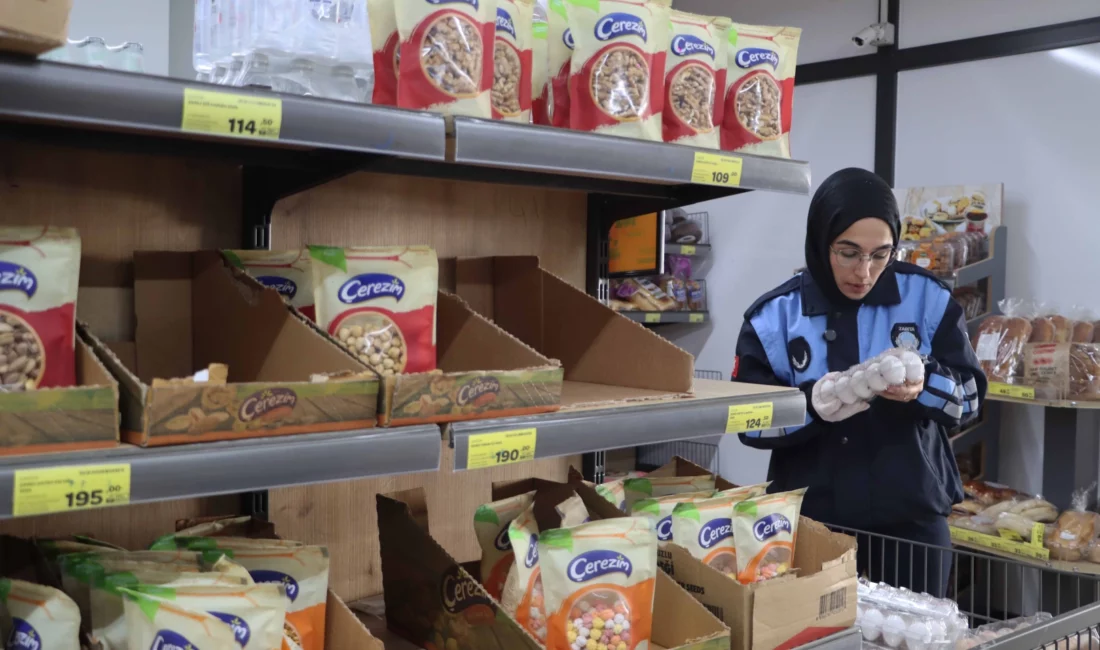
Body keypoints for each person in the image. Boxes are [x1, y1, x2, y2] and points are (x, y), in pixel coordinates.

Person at [733, 167, 985, 597]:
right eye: (847, 252)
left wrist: (923, 384)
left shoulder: (928, 299)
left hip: (912, 527)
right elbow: (746, 421)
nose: (864, 272)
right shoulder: (773, 318)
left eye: (880, 254)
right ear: (820, 240)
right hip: (811, 526)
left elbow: (972, 398)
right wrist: (811, 405)